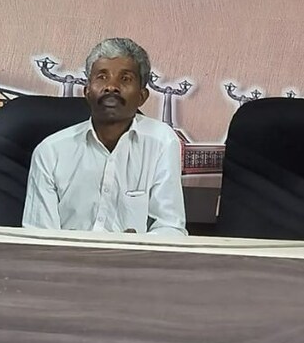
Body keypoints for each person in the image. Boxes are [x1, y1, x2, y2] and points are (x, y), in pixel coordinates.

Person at [22, 38, 187, 235]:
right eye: (102, 77)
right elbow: (39, 235)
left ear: (142, 96)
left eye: (125, 79)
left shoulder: (161, 141)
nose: (111, 87)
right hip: (67, 262)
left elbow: (171, 227)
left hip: (134, 262)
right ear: (87, 91)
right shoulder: (51, 151)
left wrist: (136, 248)